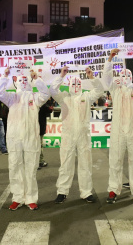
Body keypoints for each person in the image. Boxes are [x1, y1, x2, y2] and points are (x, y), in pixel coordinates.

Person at [0, 69, 49, 211]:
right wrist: (4, 77)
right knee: (15, 166)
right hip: (14, 137)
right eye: (20, 80)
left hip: (31, 136)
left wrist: (37, 79)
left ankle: (31, 198)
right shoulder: (12, 98)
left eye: (26, 80)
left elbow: (45, 94)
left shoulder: (35, 97)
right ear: (16, 83)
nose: (23, 82)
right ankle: (17, 198)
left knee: (31, 167)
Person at [103, 48, 133, 205]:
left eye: (127, 75)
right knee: (115, 161)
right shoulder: (115, 90)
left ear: (131, 77)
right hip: (118, 131)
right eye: (122, 74)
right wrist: (110, 59)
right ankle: (113, 190)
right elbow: (106, 80)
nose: (124, 77)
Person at [50, 66, 104, 204]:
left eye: (78, 84)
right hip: (68, 135)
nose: (75, 86)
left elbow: (99, 90)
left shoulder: (86, 97)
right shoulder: (63, 97)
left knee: (85, 163)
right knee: (65, 163)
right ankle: (62, 191)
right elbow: (52, 90)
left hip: (83, 136)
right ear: (68, 85)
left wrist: (92, 77)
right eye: (73, 84)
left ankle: (86, 192)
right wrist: (61, 76)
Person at [38, 97, 54, 168]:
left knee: (34, 145)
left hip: (32, 128)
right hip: (40, 127)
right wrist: (50, 101)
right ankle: (39, 161)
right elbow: (50, 109)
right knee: (39, 145)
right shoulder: (42, 103)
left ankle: (36, 162)